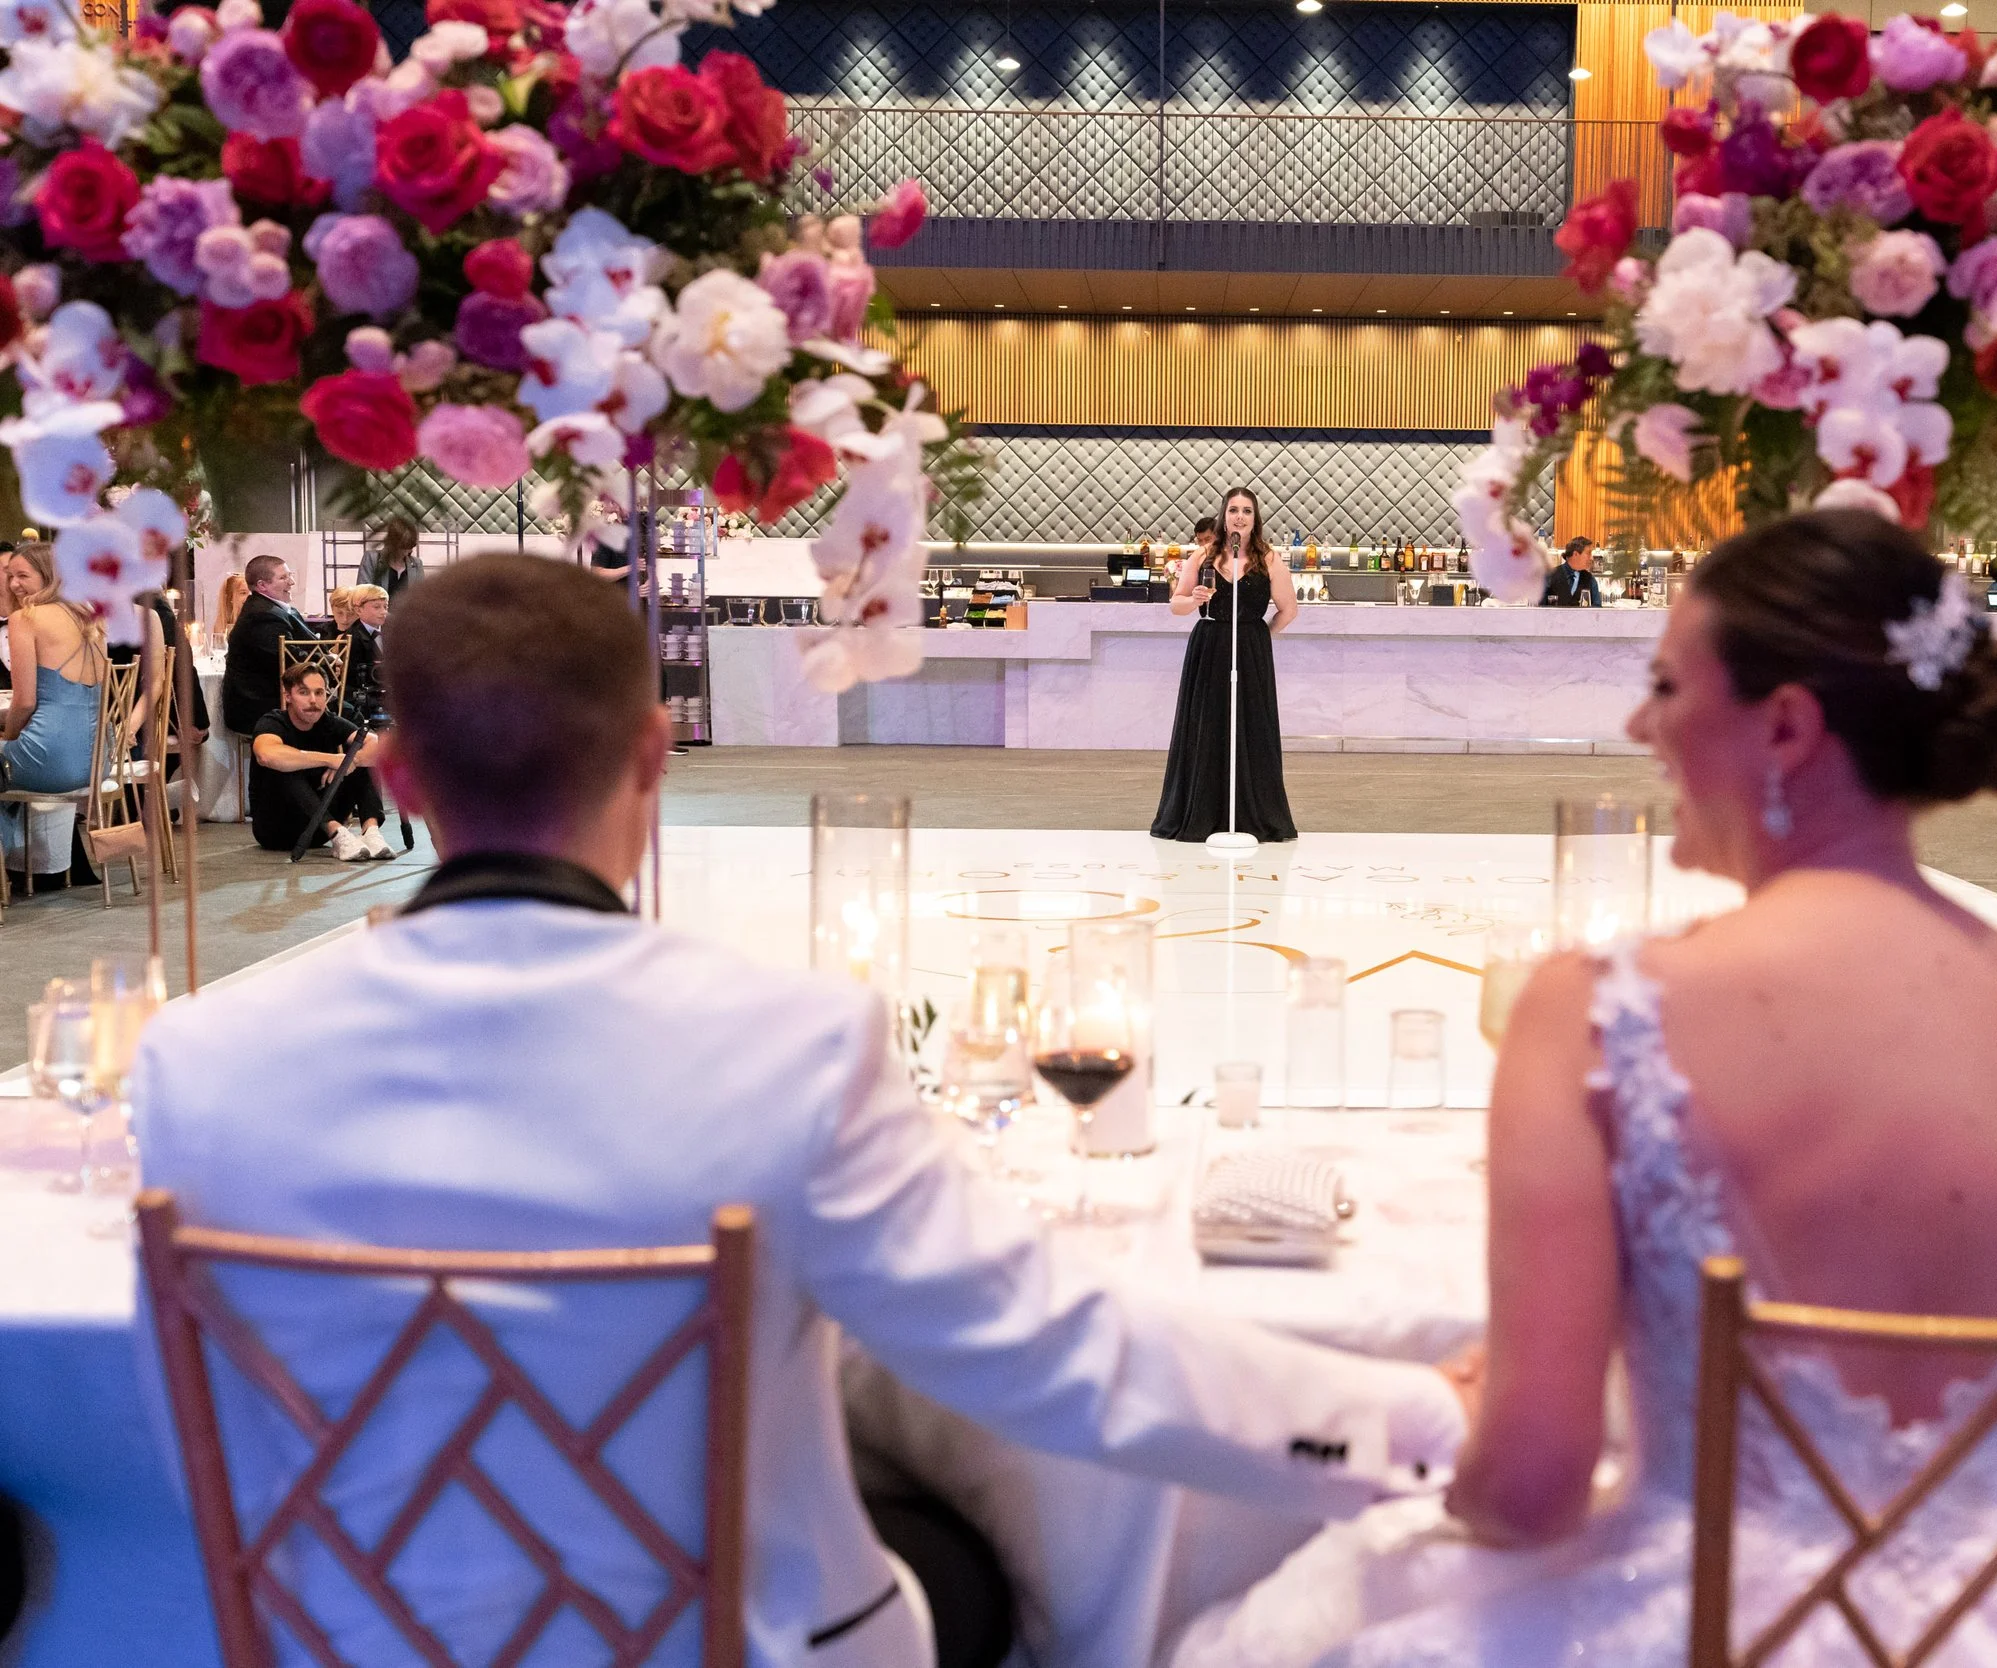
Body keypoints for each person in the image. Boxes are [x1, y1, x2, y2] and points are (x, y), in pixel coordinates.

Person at [133, 555, 1465, 1668]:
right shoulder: (792, 1049)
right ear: (655, 752)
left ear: (401, 775)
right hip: (738, 1639)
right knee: (985, 1519)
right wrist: (1410, 1416)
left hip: (346, 1630)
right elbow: (1062, 1357)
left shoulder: (200, 1064)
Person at [1175, 511, 1997, 1668]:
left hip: (1717, 1616)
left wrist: (1450, 1426)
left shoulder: (1596, 1012)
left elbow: (1529, 1490)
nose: (1639, 723)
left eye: (1667, 684)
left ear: (1783, 726)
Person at [1152, 486, 1300, 843]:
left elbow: (1289, 609)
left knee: (1251, 726)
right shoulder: (1202, 556)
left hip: (1249, 650)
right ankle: (1201, 812)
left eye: (1247, 511)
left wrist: (1258, 637)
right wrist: (1195, 600)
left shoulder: (1269, 559)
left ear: (1255, 518)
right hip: (1210, 645)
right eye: (1233, 509)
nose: (1239, 516)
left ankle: (1252, 814)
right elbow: (1177, 605)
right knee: (1208, 725)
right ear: (1223, 515)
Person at [0, 544, 106, 876]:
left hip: (51, 758)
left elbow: (25, 702)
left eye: (22, 576)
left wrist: (8, 737)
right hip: (98, 758)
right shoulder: (90, 616)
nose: (14, 584)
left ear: (48, 577)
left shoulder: (25, 618)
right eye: (10, 576)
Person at [248, 664, 391, 861]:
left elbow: (375, 744)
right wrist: (331, 760)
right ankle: (338, 834)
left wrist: (351, 761)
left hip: (318, 830)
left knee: (360, 756)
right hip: (275, 829)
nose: (313, 700)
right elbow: (267, 755)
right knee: (286, 765)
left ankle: (371, 832)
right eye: (304, 692)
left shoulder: (328, 721)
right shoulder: (273, 722)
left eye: (319, 692)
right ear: (288, 696)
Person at [220, 553, 313, 737]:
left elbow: (310, 646)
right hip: (262, 708)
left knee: (347, 710)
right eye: (283, 577)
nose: (292, 582)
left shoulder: (278, 609)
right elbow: (290, 660)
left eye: (290, 575)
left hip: (281, 700)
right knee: (345, 715)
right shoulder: (261, 615)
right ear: (262, 585)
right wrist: (329, 660)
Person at [334, 583, 389, 715]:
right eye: (376, 607)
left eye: (385, 607)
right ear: (358, 610)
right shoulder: (351, 639)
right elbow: (352, 682)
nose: (383, 612)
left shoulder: (393, 631)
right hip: (367, 702)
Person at [356, 516, 424, 599]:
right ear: (393, 543)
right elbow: (362, 593)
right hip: (378, 610)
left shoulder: (416, 564)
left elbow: (420, 597)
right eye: (404, 546)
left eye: (411, 545)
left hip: (408, 611)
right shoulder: (372, 559)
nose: (409, 550)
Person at [1540, 538, 1600, 607]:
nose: (1591, 558)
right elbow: (1539, 607)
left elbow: (1597, 609)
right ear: (1575, 554)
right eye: (1588, 553)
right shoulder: (1550, 576)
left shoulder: (1590, 579)